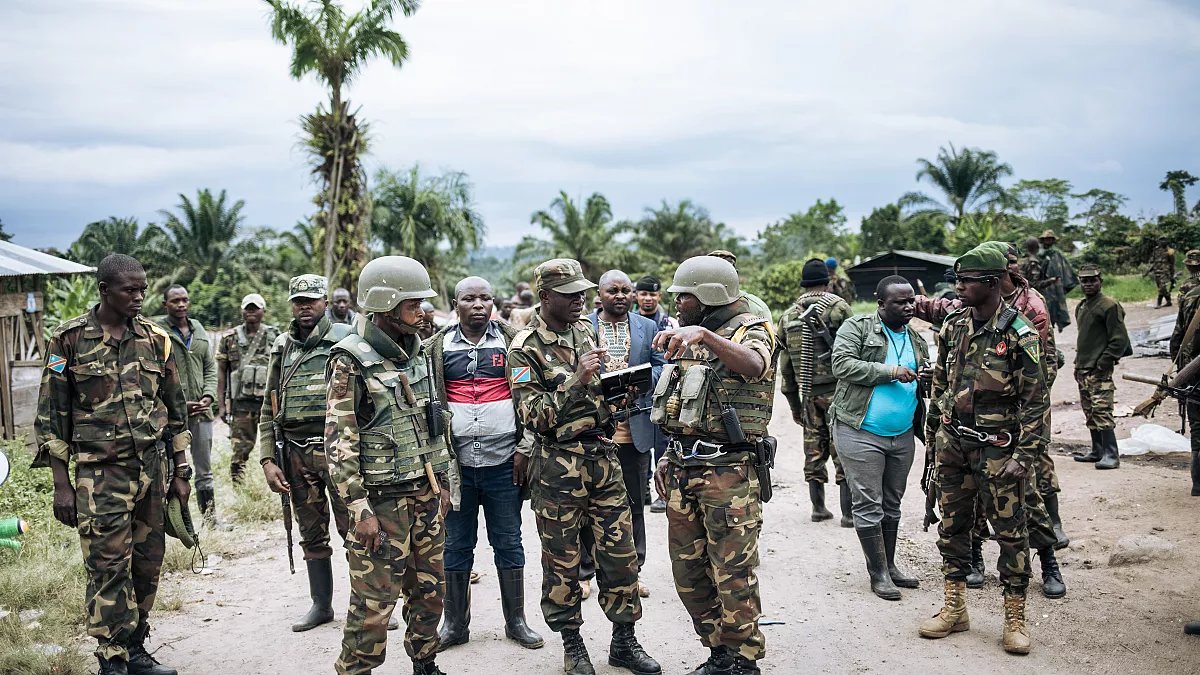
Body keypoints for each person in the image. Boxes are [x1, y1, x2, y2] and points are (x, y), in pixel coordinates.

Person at [36, 253, 191, 675]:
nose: (139, 297)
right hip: (98, 476)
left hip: (151, 472)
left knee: (147, 562)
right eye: (129, 290)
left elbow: (176, 411)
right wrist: (61, 485)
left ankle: (136, 648)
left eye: (143, 288)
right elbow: (52, 415)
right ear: (104, 290)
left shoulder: (157, 338)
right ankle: (111, 657)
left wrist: (181, 470)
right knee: (107, 566)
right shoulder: (66, 340)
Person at [508, 259, 660, 675]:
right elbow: (533, 415)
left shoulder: (585, 330)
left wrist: (619, 395)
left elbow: (598, 397)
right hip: (558, 466)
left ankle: (624, 642)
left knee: (621, 556)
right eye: (569, 293)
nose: (580, 299)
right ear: (544, 297)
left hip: (603, 458)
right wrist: (576, 379)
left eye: (581, 292)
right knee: (562, 561)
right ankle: (573, 646)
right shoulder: (524, 347)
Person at [910, 243, 1069, 599]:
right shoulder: (955, 324)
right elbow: (941, 385)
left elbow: (1036, 396)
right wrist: (934, 436)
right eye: (958, 280)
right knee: (958, 519)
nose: (958, 287)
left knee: (1025, 508)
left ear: (996, 280)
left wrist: (1025, 452)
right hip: (958, 440)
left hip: (1005, 440)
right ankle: (967, 577)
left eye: (967, 280)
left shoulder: (1028, 317)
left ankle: (1046, 563)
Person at [327, 256, 454, 675]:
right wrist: (358, 509)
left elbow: (434, 422)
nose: (423, 312)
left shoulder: (417, 350)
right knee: (372, 606)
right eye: (413, 305)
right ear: (385, 306)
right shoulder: (350, 359)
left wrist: (445, 485)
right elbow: (339, 444)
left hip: (427, 493)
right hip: (381, 505)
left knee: (431, 592)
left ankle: (425, 662)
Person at [651, 255, 777, 675]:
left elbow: (756, 365)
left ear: (707, 297)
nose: (677, 303)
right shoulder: (687, 334)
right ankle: (719, 651)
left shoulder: (752, 329)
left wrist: (704, 334)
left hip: (730, 474)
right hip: (684, 469)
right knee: (688, 571)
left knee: (733, 571)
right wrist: (669, 458)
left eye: (683, 296)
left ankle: (743, 659)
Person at [427, 276, 543, 651]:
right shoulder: (437, 347)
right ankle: (455, 626)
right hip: (456, 467)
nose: (478, 304)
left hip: (504, 463)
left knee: (508, 541)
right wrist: (438, 465)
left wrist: (524, 449)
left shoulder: (514, 342)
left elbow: (529, 399)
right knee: (456, 543)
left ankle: (517, 622)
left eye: (485, 298)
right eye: (469, 299)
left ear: (494, 303)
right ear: (455, 303)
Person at [258, 274, 370, 633]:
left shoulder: (346, 339)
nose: (304, 307)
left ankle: (367, 604)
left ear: (324, 302)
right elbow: (268, 404)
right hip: (293, 451)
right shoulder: (283, 345)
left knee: (355, 528)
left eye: (311, 300)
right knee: (311, 532)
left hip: (337, 448)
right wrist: (267, 459)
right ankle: (321, 604)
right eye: (298, 301)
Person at [830, 275, 927, 600]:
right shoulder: (857, 328)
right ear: (881, 303)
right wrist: (890, 371)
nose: (909, 306)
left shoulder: (916, 339)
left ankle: (892, 566)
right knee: (869, 503)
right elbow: (841, 365)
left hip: (901, 435)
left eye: (911, 300)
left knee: (892, 504)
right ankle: (878, 573)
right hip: (860, 431)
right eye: (900, 302)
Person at [579, 270, 666, 600]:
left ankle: (634, 570)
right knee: (588, 504)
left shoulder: (648, 326)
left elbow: (660, 366)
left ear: (632, 294)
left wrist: (639, 378)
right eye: (612, 290)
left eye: (625, 290)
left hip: (635, 429)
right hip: (594, 430)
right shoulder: (583, 326)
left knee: (634, 503)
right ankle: (585, 573)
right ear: (599, 296)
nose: (619, 295)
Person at [778, 258, 853, 526]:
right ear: (828, 281)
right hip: (839, 394)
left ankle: (818, 509)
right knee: (843, 451)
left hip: (808, 396)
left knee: (813, 452)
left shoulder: (788, 316)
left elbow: (785, 367)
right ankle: (848, 514)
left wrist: (794, 405)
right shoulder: (839, 308)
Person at [155, 285, 219, 526]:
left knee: (205, 469)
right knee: (174, 470)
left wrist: (209, 396)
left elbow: (210, 367)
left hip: (201, 412)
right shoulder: (158, 332)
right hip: (172, 416)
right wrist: (180, 404)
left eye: (184, 300)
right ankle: (180, 523)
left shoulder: (198, 329)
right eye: (175, 301)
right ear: (165, 304)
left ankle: (211, 519)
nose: (181, 305)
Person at [1071, 264, 1132, 470]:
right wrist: (1079, 366)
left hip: (1098, 369)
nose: (1088, 284)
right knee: (1090, 411)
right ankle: (1097, 450)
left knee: (1102, 410)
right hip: (1083, 368)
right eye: (1084, 281)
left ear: (1101, 281)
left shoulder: (1109, 305)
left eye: (1092, 280)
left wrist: (1103, 363)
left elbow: (1119, 340)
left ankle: (1111, 454)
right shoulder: (1082, 305)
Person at [216, 293, 279, 484]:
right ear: (242, 310)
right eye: (247, 307)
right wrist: (221, 405)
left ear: (264, 311)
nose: (251, 311)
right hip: (241, 406)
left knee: (278, 447)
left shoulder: (275, 336)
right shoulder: (229, 338)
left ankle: (280, 485)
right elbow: (221, 373)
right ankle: (239, 487)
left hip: (269, 405)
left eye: (255, 307)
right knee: (240, 449)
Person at [633, 275, 676, 514]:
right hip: (638, 392)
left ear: (659, 296)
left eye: (652, 294)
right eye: (643, 294)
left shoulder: (670, 323)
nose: (648, 298)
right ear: (636, 296)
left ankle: (663, 492)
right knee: (638, 443)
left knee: (662, 443)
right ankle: (644, 488)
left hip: (663, 390)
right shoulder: (629, 321)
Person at [1170, 250, 1200, 495]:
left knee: (1197, 428)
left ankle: (1197, 484)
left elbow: (1178, 338)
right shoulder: (1189, 294)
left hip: (1192, 372)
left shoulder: (1189, 295)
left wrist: (1179, 368)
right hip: (1193, 371)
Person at [707, 250, 772, 320]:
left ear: (736, 274)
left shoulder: (756, 307)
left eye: (724, 272)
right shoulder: (696, 304)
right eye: (713, 273)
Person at [1035, 229, 1076, 333]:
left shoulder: (1057, 253)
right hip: (1043, 286)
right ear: (1043, 240)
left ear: (1053, 240)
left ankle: (1057, 324)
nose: (1048, 241)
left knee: (1057, 306)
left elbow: (1064, 267)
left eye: (1050, 239)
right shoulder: (1039, 254)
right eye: (1046, 239)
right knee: (1044, 309)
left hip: (1056, 285)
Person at [1148, 236, 1176, 308]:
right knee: (1160, 288)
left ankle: (1159, 303)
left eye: (1164, 240)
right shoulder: (1156, 250)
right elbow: (1154, 261)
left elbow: (1172, 263)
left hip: (1165, 272)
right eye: (1160, 241)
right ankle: (1169, 301)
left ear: (1167, 241)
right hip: (1157, 271)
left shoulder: (1170, 251)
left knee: (1162, 287)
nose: (1162, 242)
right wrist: (1149, 270)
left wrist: (1172, 275)